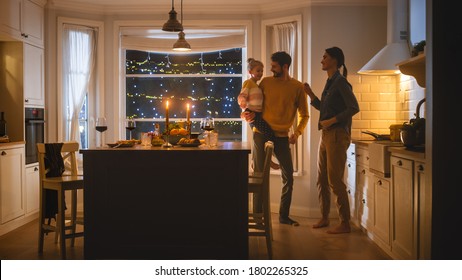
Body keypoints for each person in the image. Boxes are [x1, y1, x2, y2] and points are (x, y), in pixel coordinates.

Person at [243, 51, 309, 226]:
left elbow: (305, 115)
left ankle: (283, 216)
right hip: (261, 133)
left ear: (285, 67)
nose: (270, 70)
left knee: (289, 176)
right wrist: (249, 119)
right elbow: (252, 103)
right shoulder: (265, 83)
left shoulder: (297, 87)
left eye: (274, 66)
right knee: (259, 176)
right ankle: (257, 218)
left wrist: (298, 132)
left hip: (282, 138)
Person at [304, 46, 360, 234]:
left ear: (334, 60)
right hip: (326, 135)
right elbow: (326, 110)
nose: (322, 60)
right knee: (321, 179)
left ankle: (344, 223)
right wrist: (311, 95)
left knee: (334, 180)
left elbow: (353, 107)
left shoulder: (341, 82)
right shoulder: (330, 82)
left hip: (337, 135)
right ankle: (325, 217)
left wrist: (333, 120)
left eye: (325, 57)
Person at [238, 58, 279, 170]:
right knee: (270, 134)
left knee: (267, 135)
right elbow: (242, 95)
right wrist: (242, 103)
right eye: (258, 71)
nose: (260, 73)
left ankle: (260, 159)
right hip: (251, 112)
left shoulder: (258, 86)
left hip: (257, 114)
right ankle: (269, 159)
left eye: (261, 71)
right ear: (250, 72)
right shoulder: (248, 83)